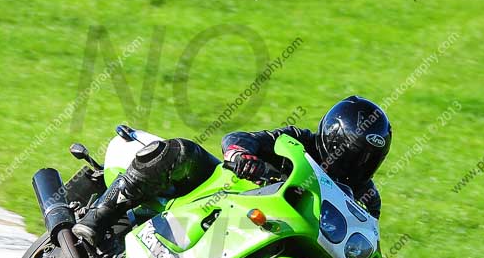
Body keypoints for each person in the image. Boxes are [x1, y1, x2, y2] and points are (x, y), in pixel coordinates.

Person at [72, 96, 391, 246]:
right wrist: (242, 156)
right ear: (332, 138)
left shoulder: (367, 198)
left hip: (280, 235)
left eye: (366, 158)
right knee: (183, 152)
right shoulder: (299, 140)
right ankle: (97, 217)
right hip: (226, 194)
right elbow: (242, 139)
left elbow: (367, 238)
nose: (357, 163)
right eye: (352, 152)